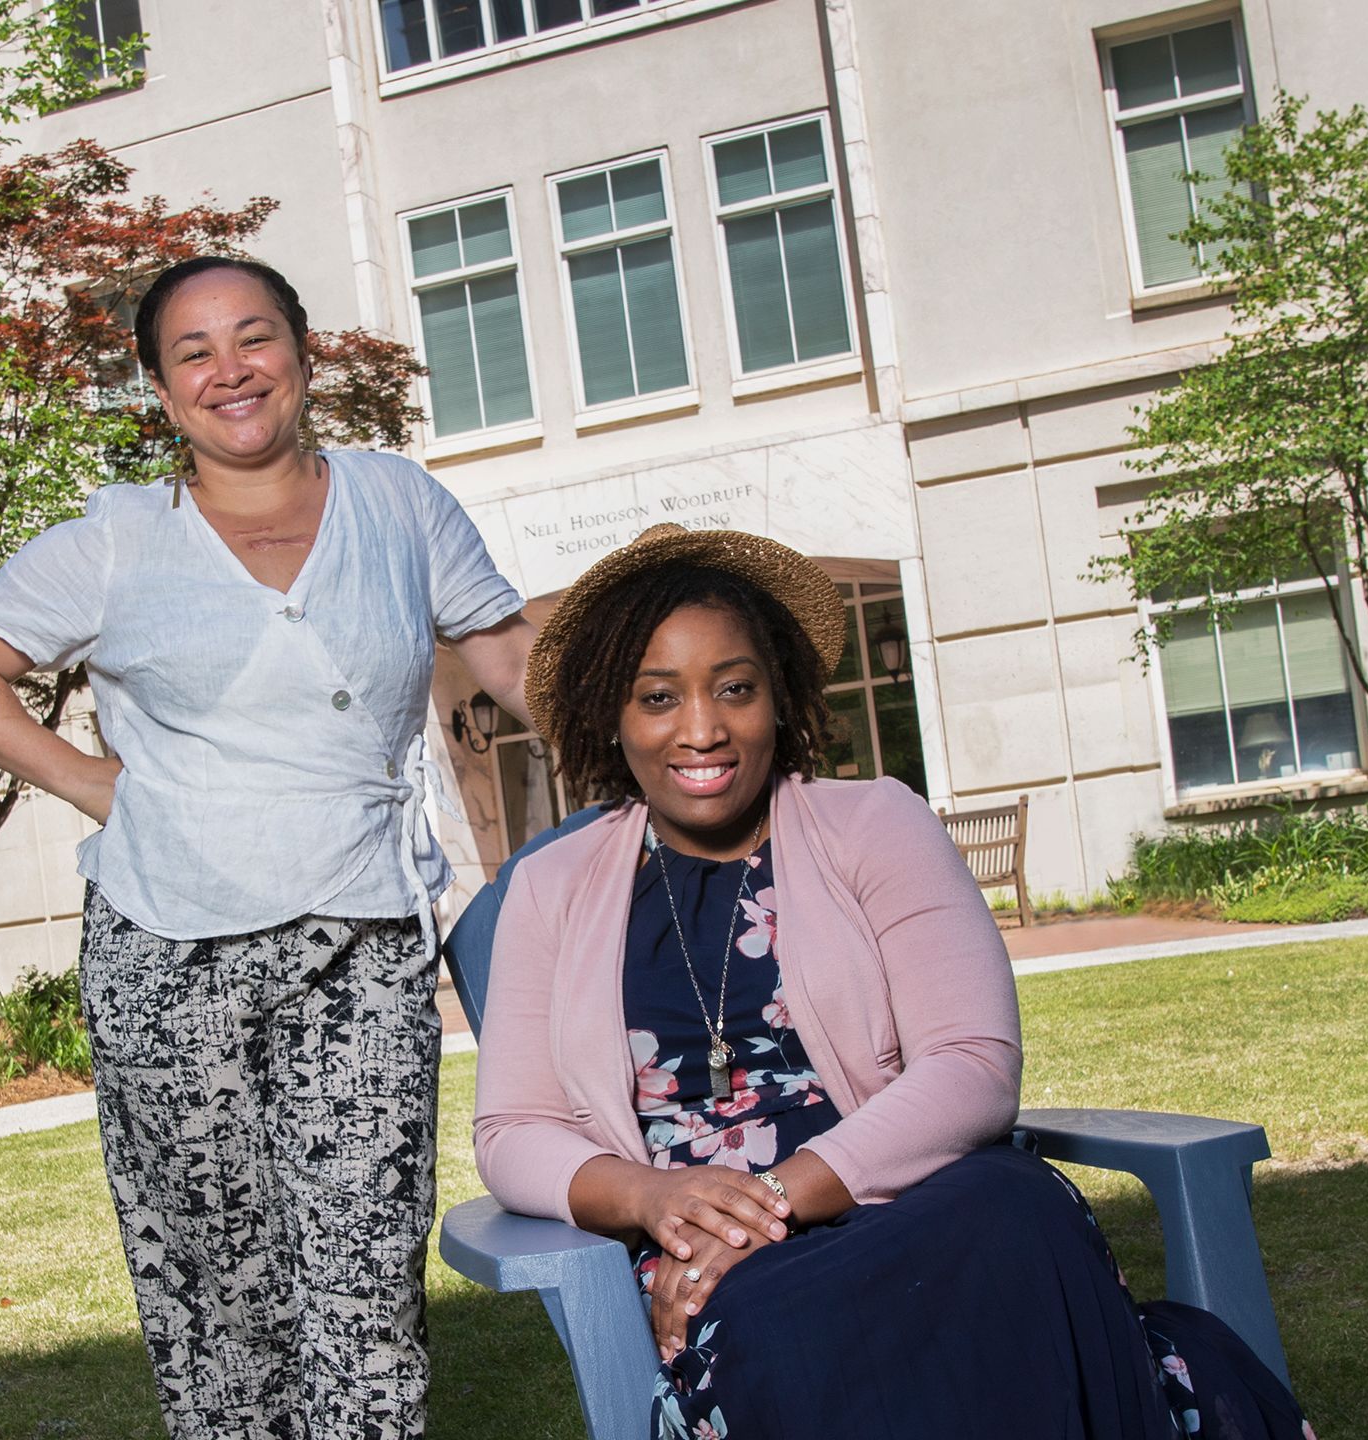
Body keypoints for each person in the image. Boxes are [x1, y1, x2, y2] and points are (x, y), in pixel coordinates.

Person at [472, 523, 1311, 1440]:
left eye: (735, 688)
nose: (702, 728)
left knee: (1014, 1206)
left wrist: (774, 1202)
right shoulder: (552, 889)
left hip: (917, 1207)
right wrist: (651, 1200)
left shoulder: (875, 823)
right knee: (782, 1328)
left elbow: (973, 1065)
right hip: (712, 1268)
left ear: (780, 697)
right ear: (612, 717)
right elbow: (513, 1129)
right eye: (658, 697)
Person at [0, 255, 537, 1439]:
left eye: (252, 338)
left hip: (358, 942)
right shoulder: (120, 535)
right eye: (192, 352)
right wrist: (97, 785)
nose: (228, 370)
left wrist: (670, 735)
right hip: (164, 952)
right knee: (217, 1291)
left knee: (363, 1274)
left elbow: (511, 666)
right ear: (158, 387)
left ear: (303, 353)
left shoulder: (398, 503)